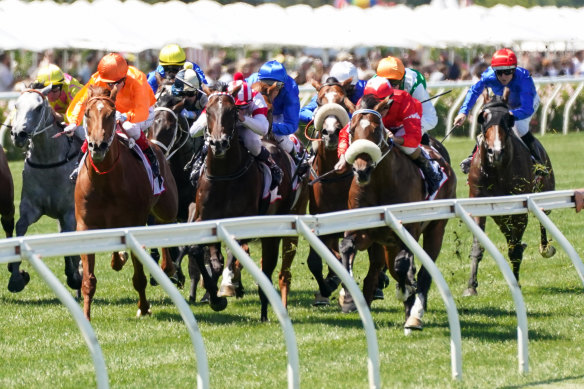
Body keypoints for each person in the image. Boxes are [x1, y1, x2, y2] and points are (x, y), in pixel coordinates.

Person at [334, 76, 442, 195]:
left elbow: (414, 137)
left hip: (401, 126)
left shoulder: (405, 99)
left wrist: (396, 139)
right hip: (377, 126)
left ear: (389, 98)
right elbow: (345, 132)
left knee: (408, 147)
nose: (377, 108)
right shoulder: (363, 104)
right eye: (372, 103)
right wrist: (343, 156)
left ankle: (430, 170)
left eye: (381, 104)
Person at [65, 53, 160, 183]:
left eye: (115, 83)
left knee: (129, 126)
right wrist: (74, 122)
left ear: (124, 78)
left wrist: (125, 116)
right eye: (108, 83)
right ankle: (78, 164)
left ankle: (151, 158)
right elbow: (82, 101)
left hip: (142, 112)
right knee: (94, 125)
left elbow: (141, 110)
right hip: (114, 110)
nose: (111, 87)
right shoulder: (98, 79)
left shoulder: (138, 80)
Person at [454, 48, 544, 175]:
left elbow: (527, 109)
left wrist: (510, 115)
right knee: (489, 121)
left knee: (519, 127)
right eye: (499, 72)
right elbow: (474, 91)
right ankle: (472, 155)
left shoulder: (523, 78)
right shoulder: (488, 76)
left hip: (525, 104)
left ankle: (537, 161)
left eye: (507, 72)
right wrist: (463, 112)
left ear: (514, 69)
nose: (503, 76)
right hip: (504, 102)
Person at [188, 79, 283, 190]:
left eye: (244, 107)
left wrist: (243, 119)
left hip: (246, 126)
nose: (241, 109)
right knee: (211, 138)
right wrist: (209, 119)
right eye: (238, 107)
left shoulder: (257, 99)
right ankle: (199, 161)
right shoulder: (221, 99)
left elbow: (263, 129)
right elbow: (193, 132)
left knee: (251, 141)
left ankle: (271, 164)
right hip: (226, 124)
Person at [246, 60, 308, 176]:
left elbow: (292, 125)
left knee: (280, 137)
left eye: (277, 85)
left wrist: (268, 127)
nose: (271, 89)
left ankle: (297, 158)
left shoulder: (290, 89)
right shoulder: (250, 82)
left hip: (277, 115)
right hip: (254, 111)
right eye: (265, 84)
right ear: (259, 81)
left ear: (283, 84)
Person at [376, 56, 438, 144]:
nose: (389, 87)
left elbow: (430, 118)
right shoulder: (374, 84)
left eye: (394, 83)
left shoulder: (414, 84)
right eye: (386, 82)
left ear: (402, 79)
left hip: (410, 118)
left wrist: (401, 135)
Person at [299, 60, 366, 124]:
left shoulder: (365, 88)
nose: (345, 90)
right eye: (342, 87)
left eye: (349, 86)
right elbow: (302, 112)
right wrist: (316, 116)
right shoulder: (327, 93)